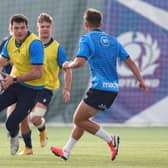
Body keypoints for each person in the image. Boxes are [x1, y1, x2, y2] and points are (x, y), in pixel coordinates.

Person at [50, 8, 148, 161]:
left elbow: (80, 62)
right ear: (101, 23)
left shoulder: (86, 39)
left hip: (99, 88)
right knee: (82, 121)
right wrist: (140, 80)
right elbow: (130, 62)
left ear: (85, 23)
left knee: (78, 119)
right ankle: (66, 151)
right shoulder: (113, 41)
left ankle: (111, 140)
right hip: (112, 89)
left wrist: (68, 65)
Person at [18, 13, 72, 155]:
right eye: (42, 26)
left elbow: (67, 68)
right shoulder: (30, 43)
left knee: (35, 118)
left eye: (47, 26)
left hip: (46, 89)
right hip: (28, 86)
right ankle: (28, 148)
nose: (45, 29)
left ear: (51, 28)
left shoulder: (57, 48)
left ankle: (42, 129)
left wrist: (66, 89)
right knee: (21, 117)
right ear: (38, 27)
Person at [0, 14, 45, 155]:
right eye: (16, 28)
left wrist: (12, 79)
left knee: (10, 123)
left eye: (22, 28)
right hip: (16, 85)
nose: (19, 31)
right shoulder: (10, 42)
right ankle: (16, 136)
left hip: (31, 89)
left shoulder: (35, 44)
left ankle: (15, 137)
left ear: (27, 28)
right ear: (11, 29)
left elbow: (38, 73)